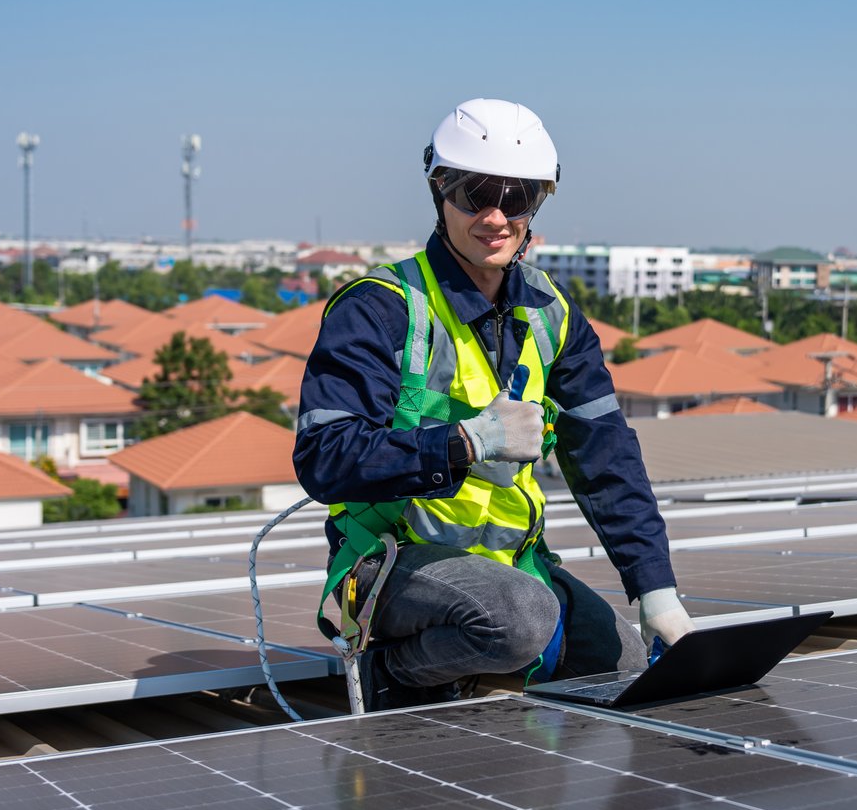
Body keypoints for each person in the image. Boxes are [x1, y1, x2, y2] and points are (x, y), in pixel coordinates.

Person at [293, 98, 693, 710]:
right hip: (389, 566)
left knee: (623, 661)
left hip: (510, 568)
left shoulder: (552, 314)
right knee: (520, 618)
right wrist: (465, 443)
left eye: (518, 196)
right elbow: (323, 458)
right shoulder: (380, 307)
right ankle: (391, 673)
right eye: (475, 193)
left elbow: (607, 458)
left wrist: (655, 589)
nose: (496, 216)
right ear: (439, 189)